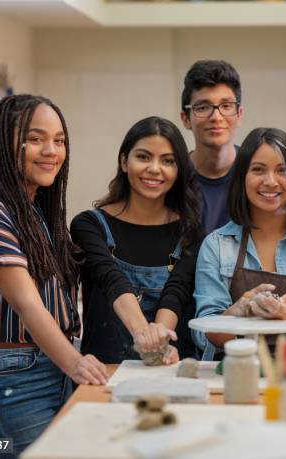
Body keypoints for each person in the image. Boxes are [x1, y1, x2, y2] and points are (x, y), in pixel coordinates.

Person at [0, 94, 108, 455]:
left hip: (46, 371)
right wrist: (76, 363)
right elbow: (28, 304)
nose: (51, 151)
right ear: (3, 143)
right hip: (11, 383)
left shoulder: (33, 210)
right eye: (36, 139)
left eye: (59, 141)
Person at [193, 127, 286, 360]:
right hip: (232, 373)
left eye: (282, 170)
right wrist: (234, 314)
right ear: (241, 176)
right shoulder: (217, 244)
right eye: (258, 170)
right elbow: (204, 333)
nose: (270, 181)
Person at [71, 117, 203, 364]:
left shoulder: (192, 231)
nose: (155, 168)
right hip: (103, 371)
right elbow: (112, 280)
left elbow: (176, 292)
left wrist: (157, 344)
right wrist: (146, 336)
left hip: (168, 367)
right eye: (143, 157)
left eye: (168, 161)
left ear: (179, 170)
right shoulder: (88, 225)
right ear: (124, 161)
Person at [180, 59, 243, 233]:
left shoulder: (254, 170)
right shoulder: (173, 176)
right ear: (185, 119)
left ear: (239, 114)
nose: (216, 116)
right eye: (202, 107)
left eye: (226, 106)